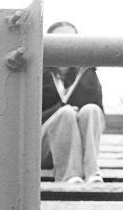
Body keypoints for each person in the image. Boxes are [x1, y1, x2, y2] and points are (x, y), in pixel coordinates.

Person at [41, 21, 105, 186]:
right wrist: (60, 112)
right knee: (66, 113)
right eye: (59, 40)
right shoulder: (36, 73)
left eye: (70, 40)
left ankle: (92, 172)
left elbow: (98, 118)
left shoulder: (87, 73)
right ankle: (69, 176)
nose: (65, 45)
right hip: (43, 147)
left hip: (80, 147)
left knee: (92, 109)